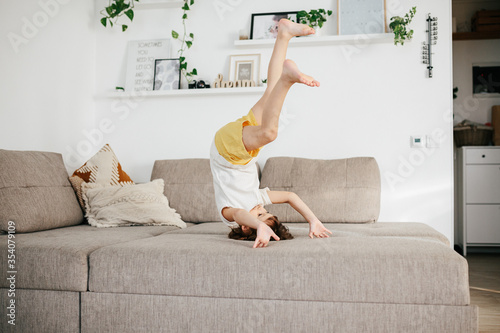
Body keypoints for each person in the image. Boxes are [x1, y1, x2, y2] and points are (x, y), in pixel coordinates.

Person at [210, 19, 332, 249]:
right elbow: (290, 197)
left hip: (227, 153)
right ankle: (284, 34)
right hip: (242, 149)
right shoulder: (257, 200)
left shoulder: (229, 213)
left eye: (260, 216)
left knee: (270, 133)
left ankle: (288, 80)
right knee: (270, 90)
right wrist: (313, 220)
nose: (260, 209)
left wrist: (260, 227)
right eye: (265, 212)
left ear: (247, 227)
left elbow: (239, 215)